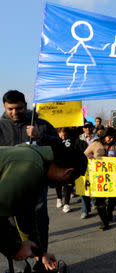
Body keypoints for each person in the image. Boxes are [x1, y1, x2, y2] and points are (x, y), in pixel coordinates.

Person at [0, 144, 87, 270]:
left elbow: (25, 216)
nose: (65, 185)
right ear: (69, 172)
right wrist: (15, 249)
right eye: (70, 181)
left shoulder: (37, 162)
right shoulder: (30, 167)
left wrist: (40, 254)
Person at [0, 90, 60, 271]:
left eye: (18, 108)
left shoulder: (41, 124)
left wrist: (41, 137)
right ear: (4, 106)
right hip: (7, 189)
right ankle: (18, 265)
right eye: (10, 109)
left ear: (25, 106)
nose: (14, 112)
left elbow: (59, 148)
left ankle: (39, 262)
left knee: (38, 226)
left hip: (36, 189)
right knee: (9, 230)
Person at [84, 127, 116, 230]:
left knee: (113, 199)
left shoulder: (115, 146)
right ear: (104, 135)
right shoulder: (95, 144)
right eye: (109, 137)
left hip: (112, 178)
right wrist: (90, 157)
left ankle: (109, 212)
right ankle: (104, 221)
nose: (110, 139)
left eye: (112, 138)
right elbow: (85, 154)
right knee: (99, 201)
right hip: (98, 178)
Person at [57, 127, 89, 217]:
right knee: (67, 186)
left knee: (80, 188)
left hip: (77, 167)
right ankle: (66, 203)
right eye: (61, 135)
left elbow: (85, 152)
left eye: (64, 134)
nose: (63, 136)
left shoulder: (78, 142)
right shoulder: (58, 142)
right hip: (66, 167)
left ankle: (85, 208)